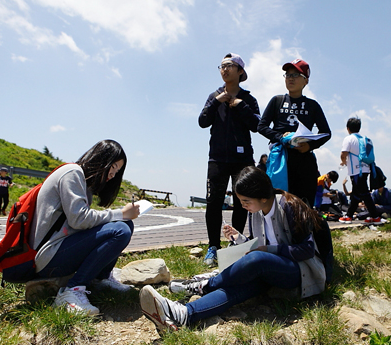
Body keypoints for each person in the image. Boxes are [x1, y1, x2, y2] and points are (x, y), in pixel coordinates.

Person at [140, 166, 326, 331]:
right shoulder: (256, 212)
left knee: (257, 260)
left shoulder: (290, 207)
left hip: (299, 272)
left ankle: (206, 285)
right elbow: (258, 245)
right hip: (270, 271)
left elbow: (306, 250)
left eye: (246, 201)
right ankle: (184, 314)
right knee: (237, 287)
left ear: (263, 197)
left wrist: (268, 251)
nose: (243, 206)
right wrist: (239, 238)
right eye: (241, 201)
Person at [30, 140, 140, 315]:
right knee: (121, 229)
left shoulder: (81, 180)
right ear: (101, 158)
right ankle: (71, 291)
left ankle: (101, 279)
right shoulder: (72, 173)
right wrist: (120, 213)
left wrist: (122, 217)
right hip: (48, 256)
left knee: (125, 225)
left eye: (117, 171)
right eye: (113, 167)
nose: (113, 174)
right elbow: (79, 220)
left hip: (58, 250)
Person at [198, 53, 260, 266]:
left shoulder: (249, 99)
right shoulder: (214, 96)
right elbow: (202, 122)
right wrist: (217, 102)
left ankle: (236, 243)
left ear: (240, 71)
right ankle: (213, 247)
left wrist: (239, 105)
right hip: (217, 158)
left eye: (229, 66)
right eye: (222, 66)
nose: (224, 70)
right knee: (213, 201)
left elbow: (256, 125)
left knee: (241, 202)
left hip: (242, 159)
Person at [258, 59, 331, 207]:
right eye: (288, 75)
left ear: (306, 81)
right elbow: (262, 126)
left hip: (304, 160)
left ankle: (305, 231)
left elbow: (326, 132)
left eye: (296, 75)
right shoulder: (277, 101)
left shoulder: (313, 105)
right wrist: (280, 138)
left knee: (304, 205)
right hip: (280, 159)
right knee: (279, 204)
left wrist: (310, 146)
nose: (291, 78)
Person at [339, 117, 380, 224]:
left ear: (348, 128)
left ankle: (375, 217)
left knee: (365, 194)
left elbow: (343, 154)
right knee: (356, 194)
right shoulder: (364, 139)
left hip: (356, 171)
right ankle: (349, 216)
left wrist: (343, 162)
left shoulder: (349, 139)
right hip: (366, 168)